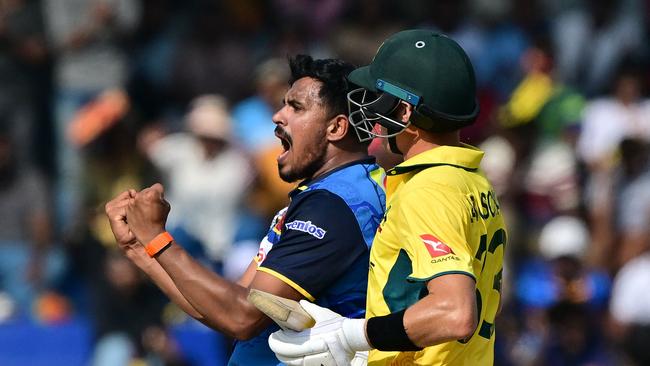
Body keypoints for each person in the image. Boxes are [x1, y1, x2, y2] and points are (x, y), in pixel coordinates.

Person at [105, 55, 386, 365]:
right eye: (283, 105)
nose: (278, 116)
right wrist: (139, 246)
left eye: (296, 107)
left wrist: (157, 237)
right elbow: (222, 307)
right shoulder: (328, 195)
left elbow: (243, 317)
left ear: (336, 128)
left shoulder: (333, 207)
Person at [269, 29, 507, 365]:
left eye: (377, 95)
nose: (367, 107)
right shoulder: (472, 180)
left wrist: (351, 335)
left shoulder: (428, 190)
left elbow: (455, 312)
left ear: (405, 112)